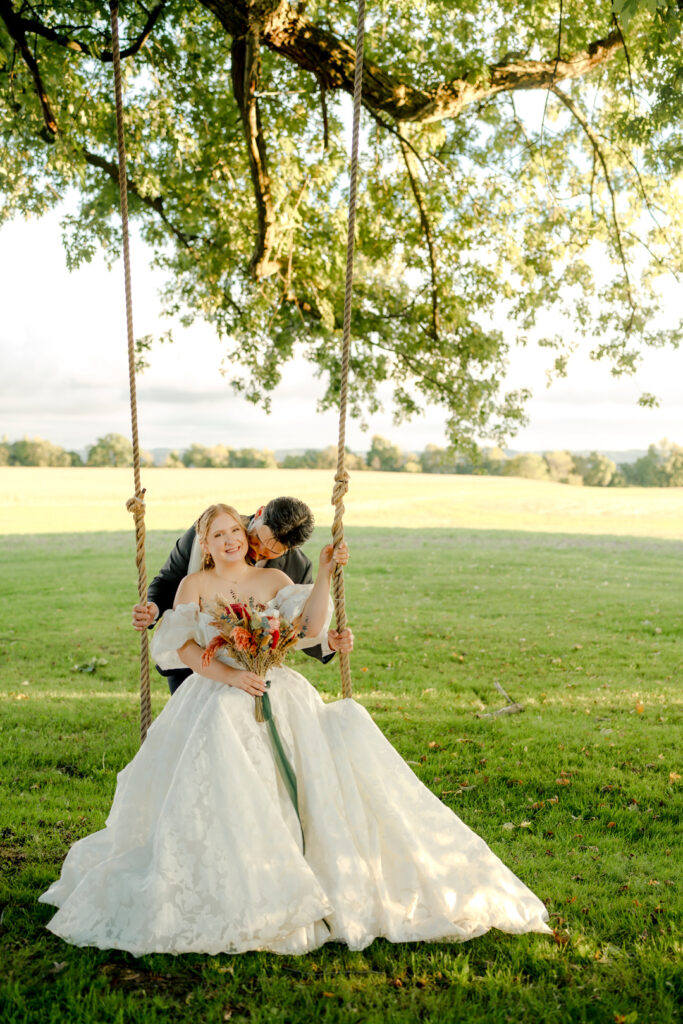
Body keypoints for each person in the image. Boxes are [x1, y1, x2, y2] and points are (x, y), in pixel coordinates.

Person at [40, 504, 551, 955]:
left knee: (301, 764)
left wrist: (327, 575)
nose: (231, 540)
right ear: (206, 542)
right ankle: (238, 870)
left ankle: (310, 866)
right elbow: (187, 650)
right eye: (218, 535)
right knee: (221, 729)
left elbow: (308, 630)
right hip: (218, 687)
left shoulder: (277, 580)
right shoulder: (193, 585)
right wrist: (234, 676)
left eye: (233, 533)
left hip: (276, 687)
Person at [132, 496, 352, 693]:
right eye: (256, 539)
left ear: (289, 549)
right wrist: (153, 608)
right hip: (197, 668)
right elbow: (169, 580)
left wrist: (328, 641)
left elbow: (300, 625)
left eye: (270, 551)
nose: (257, 550)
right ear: (258, 516)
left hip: (258, 677)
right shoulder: (212, 528)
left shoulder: (291, 570)